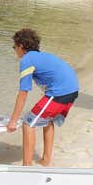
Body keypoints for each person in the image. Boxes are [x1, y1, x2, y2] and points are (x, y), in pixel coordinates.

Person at [7, 28, 79, 166]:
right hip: (72, 90)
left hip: (59, 93)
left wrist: (13, 120)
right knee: (47, 120)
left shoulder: (26, 60)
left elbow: (23, 92)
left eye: (14, 46)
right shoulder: (41, 56)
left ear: (21, 46)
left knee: (28, 124)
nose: (14, 49)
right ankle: (46, 160)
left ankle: (27, 165)